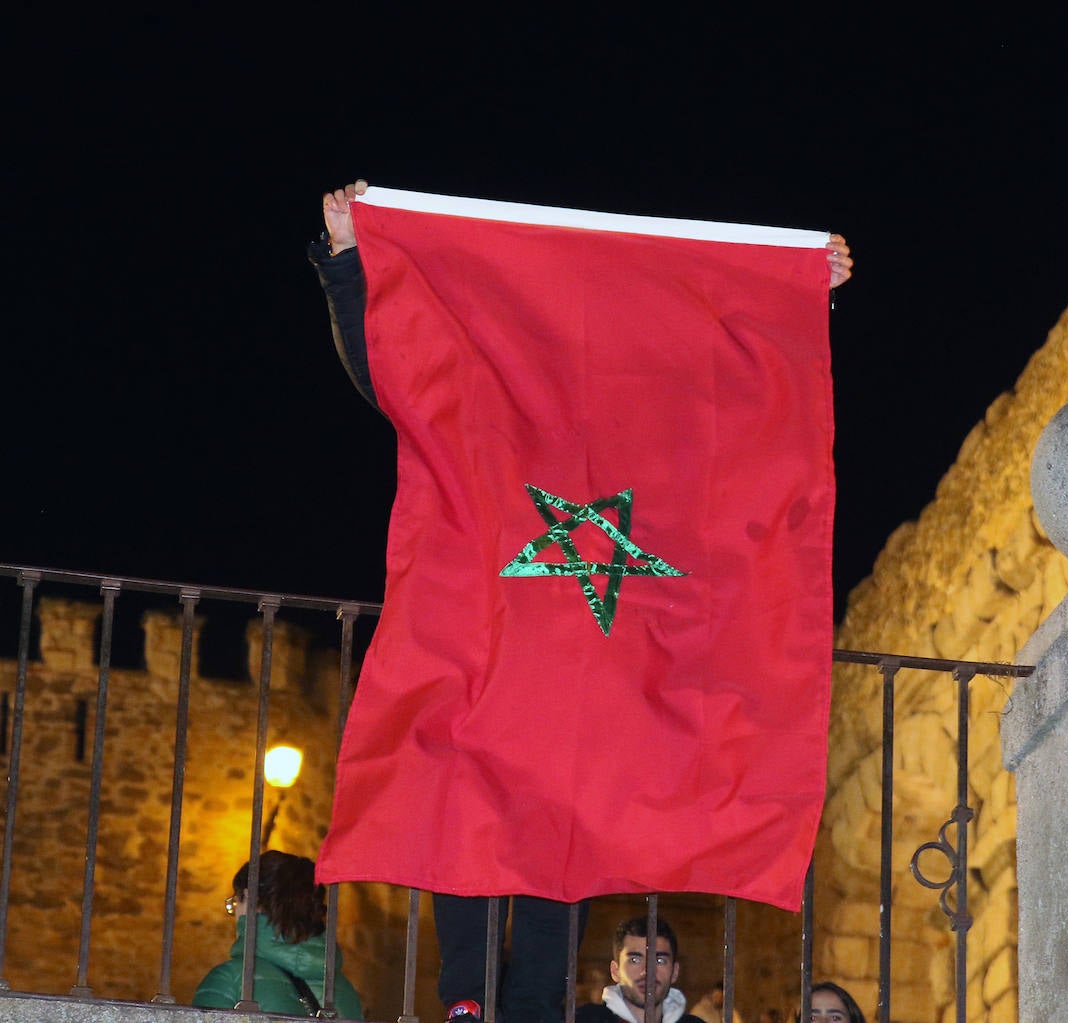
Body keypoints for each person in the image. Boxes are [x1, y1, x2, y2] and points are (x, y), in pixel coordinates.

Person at [309, 181, 853, 1023]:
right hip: (494, 658)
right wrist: (351, 259)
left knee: (571, 839)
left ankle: (528, 1010)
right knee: (468, 820)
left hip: (597, 679)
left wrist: (786, 292)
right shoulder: (487, 405)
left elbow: (733, 403)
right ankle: (465, 1004)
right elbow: (404, 370)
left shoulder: (655, 422)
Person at [192, 851, 364, 1018]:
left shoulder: (232, 981)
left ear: (250, 897)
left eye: (235, 903)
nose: (235, 912)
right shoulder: (345, 992)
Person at [575, 916, 707, 1023]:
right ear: (615, 971)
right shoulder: (582, 1019)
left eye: (659, 961)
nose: (647, 971)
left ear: (675, 972)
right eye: (634, 960)